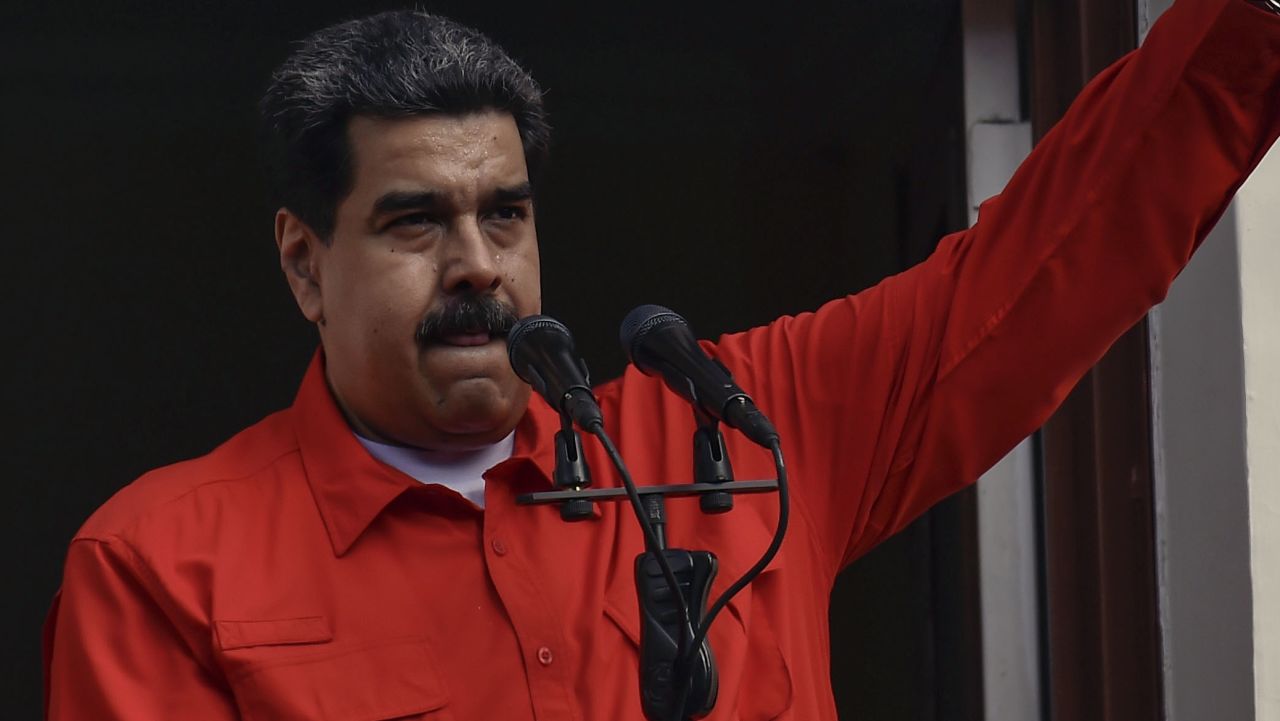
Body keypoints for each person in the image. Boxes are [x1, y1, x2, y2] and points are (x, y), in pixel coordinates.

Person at [42, 1, 1280, 719]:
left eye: (507, 214)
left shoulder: (734, 427)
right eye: (416, 221)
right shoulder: (162, 566)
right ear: (306, 264)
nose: (477, 263)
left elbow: (1050, 261)